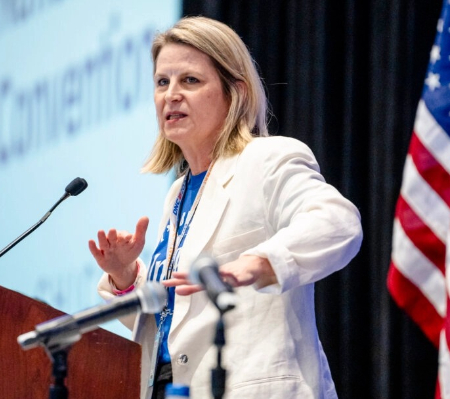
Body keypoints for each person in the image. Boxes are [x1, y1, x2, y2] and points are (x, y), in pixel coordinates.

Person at [88, 16, 362, 399]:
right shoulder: (179, 194)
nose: (171, 95)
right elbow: (178, 322)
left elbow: (338, 223)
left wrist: (256, 263)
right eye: (162, 82)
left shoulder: (267, 158)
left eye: (190, 81)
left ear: (235, 93)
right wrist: (124, 276)